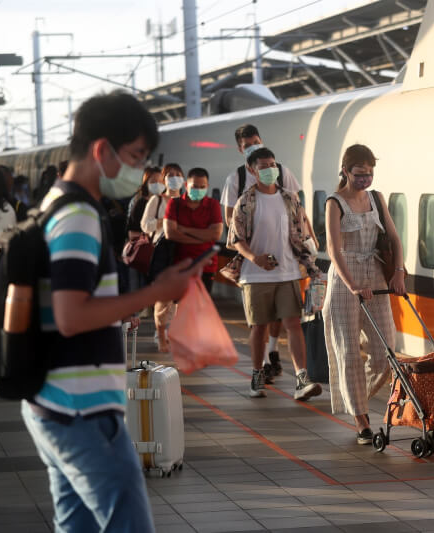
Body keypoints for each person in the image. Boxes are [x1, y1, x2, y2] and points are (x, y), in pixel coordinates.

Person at [20, 91, 198, 532]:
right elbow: (71, 315)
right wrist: (155, 291)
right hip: (82, 411)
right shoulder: (78, 215)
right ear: (102, 150)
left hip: (55, 403)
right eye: (135, 156)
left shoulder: (57, 205)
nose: (138, 170)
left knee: (76, 525)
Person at [322, 144, 405, 445]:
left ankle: (352, 394)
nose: (365, 180)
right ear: (345, 171)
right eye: (359, 175)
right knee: (348, 352)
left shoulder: (377, 198)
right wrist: (352, 285)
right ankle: (361, 420)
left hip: (377, 273)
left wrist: (399, 271)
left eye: (369, 174)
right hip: (345, 280)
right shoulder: (334, 202)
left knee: (386, 353)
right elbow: (333, 249)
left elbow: (394, 238)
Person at [222, 124, 318, 379]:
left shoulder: (283, 174)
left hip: (286, 265)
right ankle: (262, 364)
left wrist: (310, 244)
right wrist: (252, 253)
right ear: (241, 151)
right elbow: (230, 223)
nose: (253, 146)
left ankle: (285, 364)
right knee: (260, 323)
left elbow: (298, 213)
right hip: (255, 267)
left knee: (288, 321)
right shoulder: (237, 181)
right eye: (247, 144)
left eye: (255, 141)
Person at [141, 163, 185, 352]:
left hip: (182, 252)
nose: (174, 178)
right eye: (170, 175)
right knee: (163, 297)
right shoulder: (157, 201)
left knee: (179, 299)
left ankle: (172, 332)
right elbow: (145, 225)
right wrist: (163, 222)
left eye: (178, 174)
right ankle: (160, 333)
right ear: (164, 179)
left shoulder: (187, 201)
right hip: (162, 251)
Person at [164, 167, 223, 293]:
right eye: (195, 186)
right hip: (179, 265)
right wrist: (203, 238)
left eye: (203, 187)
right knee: (179, 307)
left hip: (206, 266)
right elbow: (170, 233)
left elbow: (216, 235)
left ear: (207, 186)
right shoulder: (175, 204)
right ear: (186, 185)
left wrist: (184, 229)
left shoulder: (213, 205)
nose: (199, 190)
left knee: (202, 308)